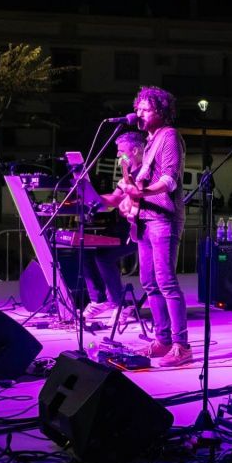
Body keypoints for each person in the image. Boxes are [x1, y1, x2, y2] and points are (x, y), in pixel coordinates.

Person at [113, 86, 192, 368]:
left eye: (146, 109)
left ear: (161, 111)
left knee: (166, 281)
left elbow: (170, 180)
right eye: (139, 108)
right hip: (146, 219)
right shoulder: (149, 142)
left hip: (163, 218)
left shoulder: (169, 136)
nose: (140, 113)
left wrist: (141, 194)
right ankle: (162, 340)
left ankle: (181, 345)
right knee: (149, 282)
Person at [88, 131, 145, 321]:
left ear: (135, 150)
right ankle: (99, 300)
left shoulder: (146, 171)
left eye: (121, 151)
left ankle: (119, 304)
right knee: (87, 248)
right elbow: (115, 198)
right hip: (123, 227)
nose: (118, 155)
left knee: (103, 256)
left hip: (140, 229)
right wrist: (91, 198)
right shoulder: (127, 173)